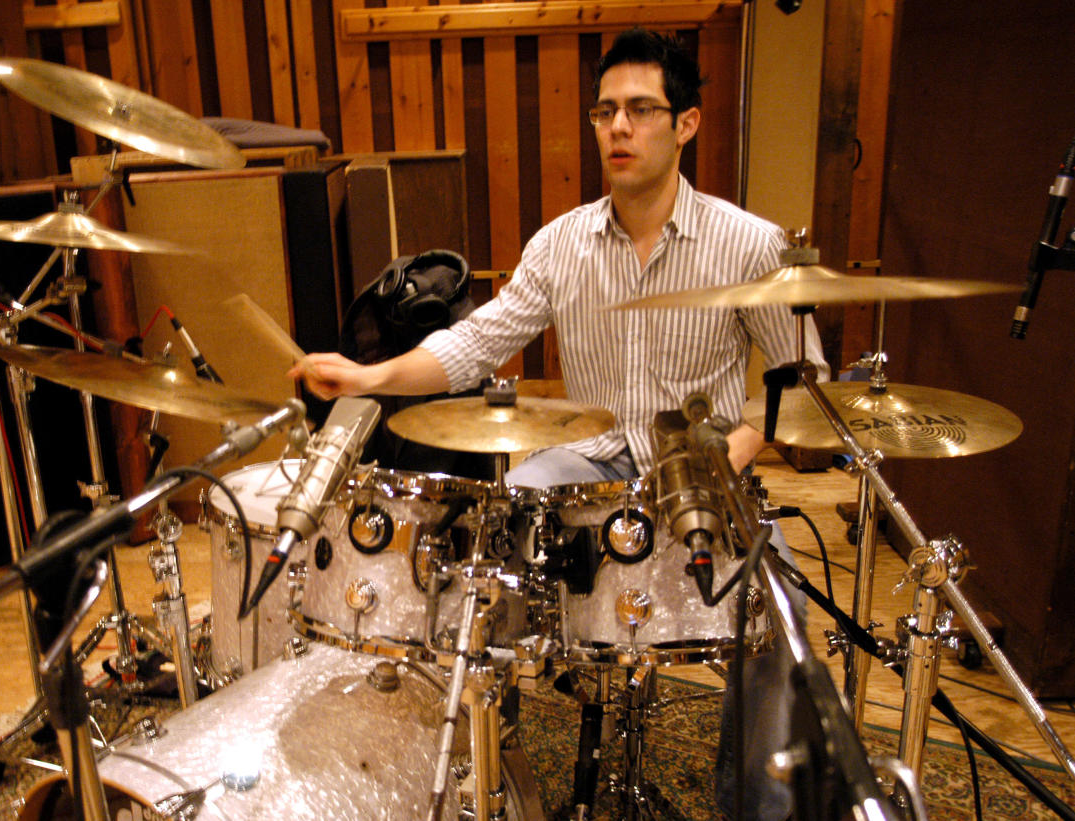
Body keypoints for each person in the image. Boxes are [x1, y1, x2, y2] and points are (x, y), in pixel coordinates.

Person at [291, 28, 828, 821]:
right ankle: (485, 776)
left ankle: (757, 808)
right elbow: (475, 344)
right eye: (605, 110)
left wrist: (733, 455)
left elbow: (798, 390)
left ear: (685, 124)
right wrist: (370, 374)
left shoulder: (750, 245)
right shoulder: (561, 243)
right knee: (477, 568)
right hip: (584, 466)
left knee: (778, 616)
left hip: (700, 473)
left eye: (641, 109)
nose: (618, 126)